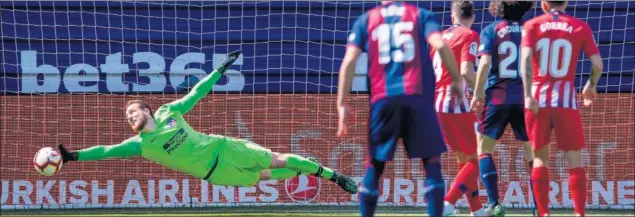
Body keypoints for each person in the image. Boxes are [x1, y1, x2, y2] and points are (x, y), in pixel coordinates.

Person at [56, 51, 358, 194]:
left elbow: (195, 94)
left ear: (146, 110)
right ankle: (304, 166)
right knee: (267, 176)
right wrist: (74, 156)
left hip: (224, 149)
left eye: (133, 112)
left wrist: (218, 71)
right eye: (127, 117)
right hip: (214, 173)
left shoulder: (169, 112)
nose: (130, 117)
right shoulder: (140, 145)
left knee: (277, 160)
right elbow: (107, 151)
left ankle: (332, 175)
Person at [336, 1, 464, 216]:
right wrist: (458, 81)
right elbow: (441, 45)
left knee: (375, 165)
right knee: (431, 162)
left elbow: (349, 60)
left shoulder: (366, 19)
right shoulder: (420, 15)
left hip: (383, 100)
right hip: (418, 99)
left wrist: (341, 103)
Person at [520, 1, 603, 216]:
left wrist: (528, 95)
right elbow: (597, 64)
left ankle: (544, 213)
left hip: (538, 100)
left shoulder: (532, 24)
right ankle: (579, 213)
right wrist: (590, 86)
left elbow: (526, 60)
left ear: (544, 4)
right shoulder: (580, 26)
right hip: (566, 101)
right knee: (575, 160)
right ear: (566, 2)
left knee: (539, 159)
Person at [469, 1, 536, 216]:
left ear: (498, 8)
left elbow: (485, 63)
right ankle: (539, 207)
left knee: (484, 149)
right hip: (525, 99)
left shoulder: (491, 30)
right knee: (533, 153)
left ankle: (493, 204)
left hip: (497, 98)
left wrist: (478, 91)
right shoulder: (530, 29)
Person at [428, 1, 484, 216]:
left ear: (452, 16)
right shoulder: (470, 35)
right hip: (456, 104)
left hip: (438, 104)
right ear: (473, 16)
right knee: (478, 158)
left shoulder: (439, 38)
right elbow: (467, 72)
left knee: (464, 160)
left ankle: (477, 210)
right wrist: (483, 91)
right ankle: (447, 203)